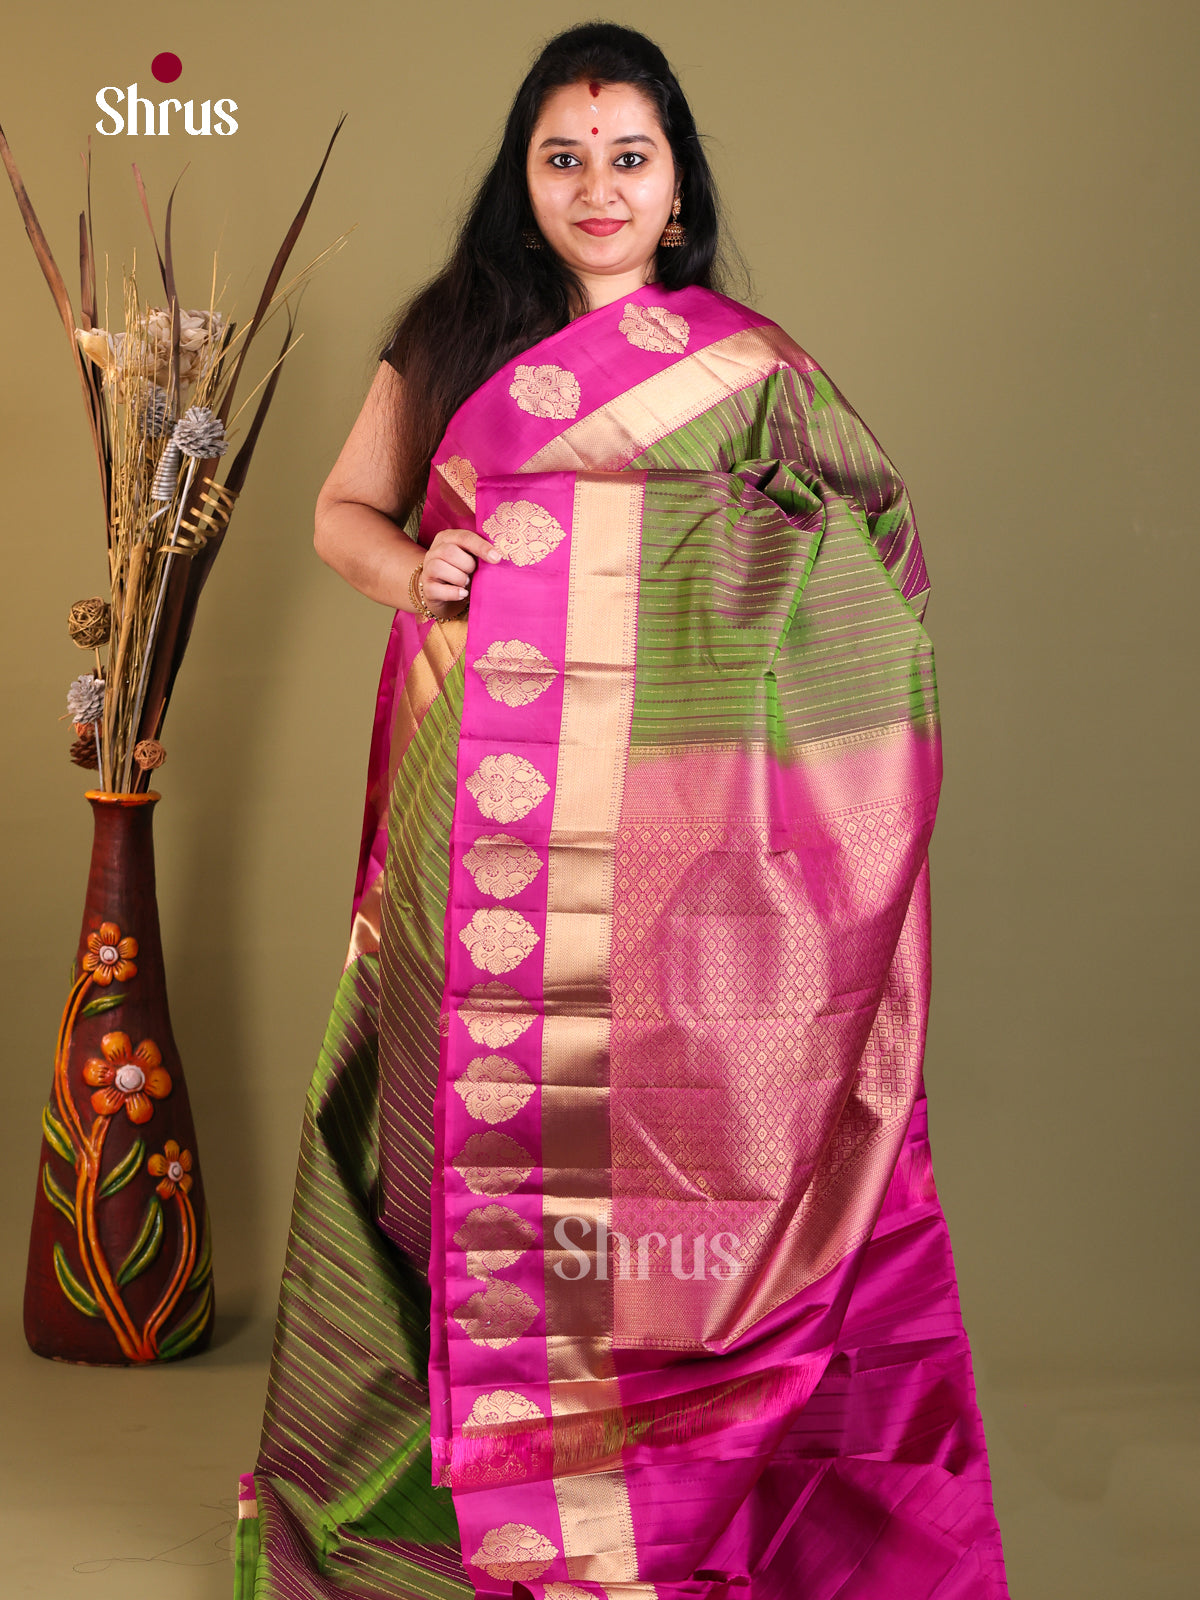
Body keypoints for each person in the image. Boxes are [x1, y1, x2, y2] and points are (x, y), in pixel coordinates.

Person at [234, 22, 1011, 1600]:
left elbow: (868, 562)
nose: (599, 188)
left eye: (629, 158)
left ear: (678, 188)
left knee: (666, 1143)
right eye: (565, 158)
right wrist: (421, 572)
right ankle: (456, 1503)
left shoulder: (756, 373)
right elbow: (339, 513)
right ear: (524, 184)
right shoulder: (453, 338)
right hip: (477, 824)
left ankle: (657, 1497)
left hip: (683, 843)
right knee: (454, 1141)